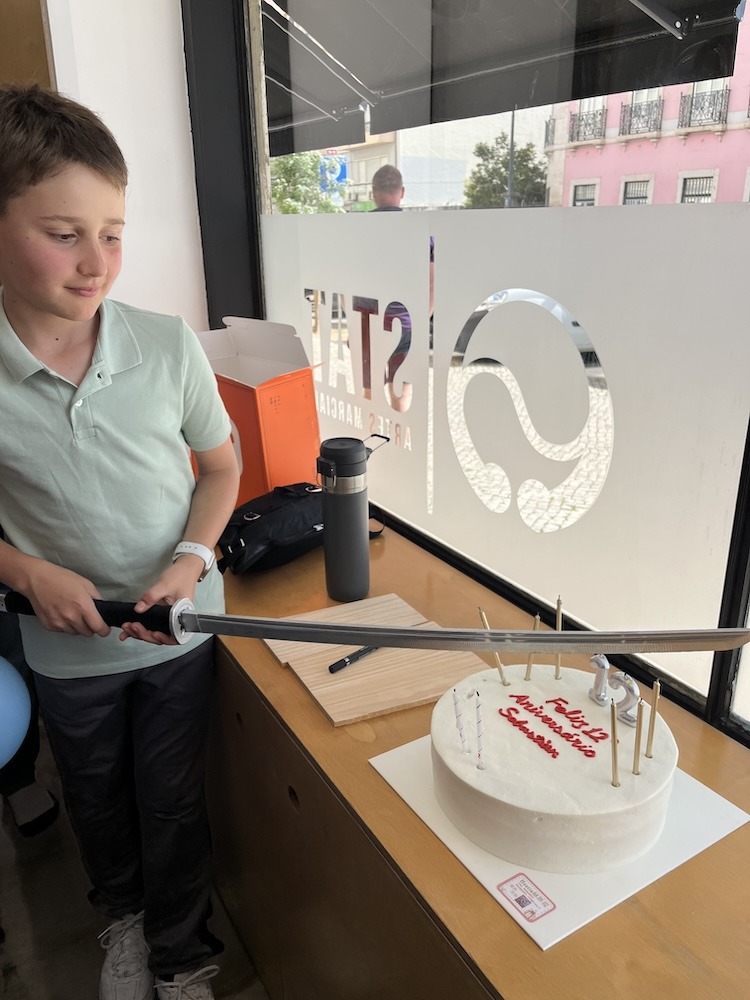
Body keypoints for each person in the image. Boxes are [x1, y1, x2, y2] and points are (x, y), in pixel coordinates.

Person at [0, 85, 240, 1000]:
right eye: (63, 233)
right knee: (97, 799)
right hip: (64, 650)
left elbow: (221, 470)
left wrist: (190, 563)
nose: (96, 261)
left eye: (114, 231)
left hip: (177, 631)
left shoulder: (167, 345)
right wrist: (23, 570)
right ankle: (127, 923)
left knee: (174, 800)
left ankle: (183, 954)